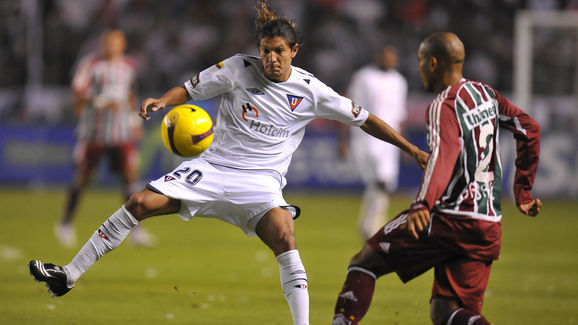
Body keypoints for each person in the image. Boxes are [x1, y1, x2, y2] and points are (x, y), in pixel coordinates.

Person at [28, 2, 428, 324]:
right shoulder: (237, 68)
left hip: (262, 182)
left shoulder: (312, 91)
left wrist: (410, 149)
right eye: (266, 51)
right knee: (138, 203)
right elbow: (189, 88)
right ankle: (68, 275)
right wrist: (162, 102)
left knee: (285, 235)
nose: (271, 58)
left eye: (279, 52)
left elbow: (366, 120)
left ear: (294, 52)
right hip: (213, 168)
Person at [331, 32, 542, 325]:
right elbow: (528, 128)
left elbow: (445, 155)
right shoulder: (486, 94)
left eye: (420, 63)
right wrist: (523, 191)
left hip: (449, 219)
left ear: (433, 63)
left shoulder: (444, 105)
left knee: (364, 263)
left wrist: (423, 205)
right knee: (445, 312)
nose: (418, 70)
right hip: (488, 224)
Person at [55, 29, 154, 247]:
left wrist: (135, 121)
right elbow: (78, 96)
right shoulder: (90, 65)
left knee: (129, 178)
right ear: (102, 44)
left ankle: (137, 230)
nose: (111, 46)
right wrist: (101, 102)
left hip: (120, 131)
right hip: (94, 131)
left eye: (116, 42)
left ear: (123, 44)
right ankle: (65, 224)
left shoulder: (128, 67)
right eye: (108, 42)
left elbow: (130, 97)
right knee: (84, 177)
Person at [343, 45, 408, 239]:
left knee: (381, 184)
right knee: (379, 183)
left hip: (390, 142)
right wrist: (344, 138)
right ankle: (372, 227)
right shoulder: (364, 77)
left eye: (393, 56)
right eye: (386, 55)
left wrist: (403, 146)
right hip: (366, 138)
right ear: (379, 56)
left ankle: (369, 226)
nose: (390, 59)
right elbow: (348, 105)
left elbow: (400, 114)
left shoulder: (399, 81)